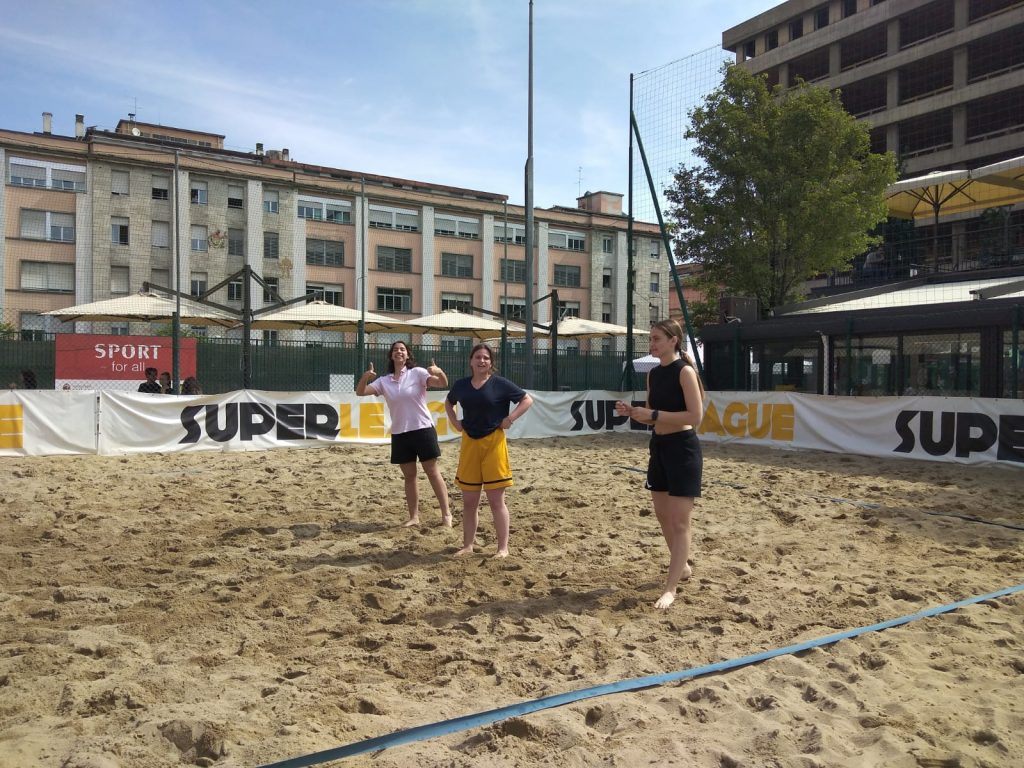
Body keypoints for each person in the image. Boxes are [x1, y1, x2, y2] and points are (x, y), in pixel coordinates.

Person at [615, 319, 704, 611]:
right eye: (651, 339)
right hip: (660, 446)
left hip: (682, 449)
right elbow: (654, 415)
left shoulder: (685, 372)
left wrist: (652, 414)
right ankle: (683, 567)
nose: (651, 344)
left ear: (673, 340)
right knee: (663, 516)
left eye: (656, 339)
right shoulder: (653, 374)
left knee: (679, 522)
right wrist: (633, 412)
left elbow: (695, 416)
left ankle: (670, 588)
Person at [445, 342, 533, 558]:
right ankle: (468, 545)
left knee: (495, 500)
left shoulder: (500, 384)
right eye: (478, 357)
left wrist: (510, 418)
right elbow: (448, 402)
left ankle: (503, 548)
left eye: (486, 358)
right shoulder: (461, 385)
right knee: (469, 501)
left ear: (491, 362)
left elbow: (526, 399)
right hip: (469, 443)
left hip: (494, 443)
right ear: (471, 361)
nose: (482, 361)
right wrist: (455, 421)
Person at [356, 341, 452, 528]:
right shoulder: (384, 381)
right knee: (409, 476)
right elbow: (361, 392)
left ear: (408, 355)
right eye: (395, 350)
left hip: (422, 429)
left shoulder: (417, 373)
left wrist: (439, 372)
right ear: (391, 355)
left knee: (432, 472)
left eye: (402, 349)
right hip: (400, 433)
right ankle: (414, 517)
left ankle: (446, 513)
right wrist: (366, 377)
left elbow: (442, 383)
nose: (399, 352)